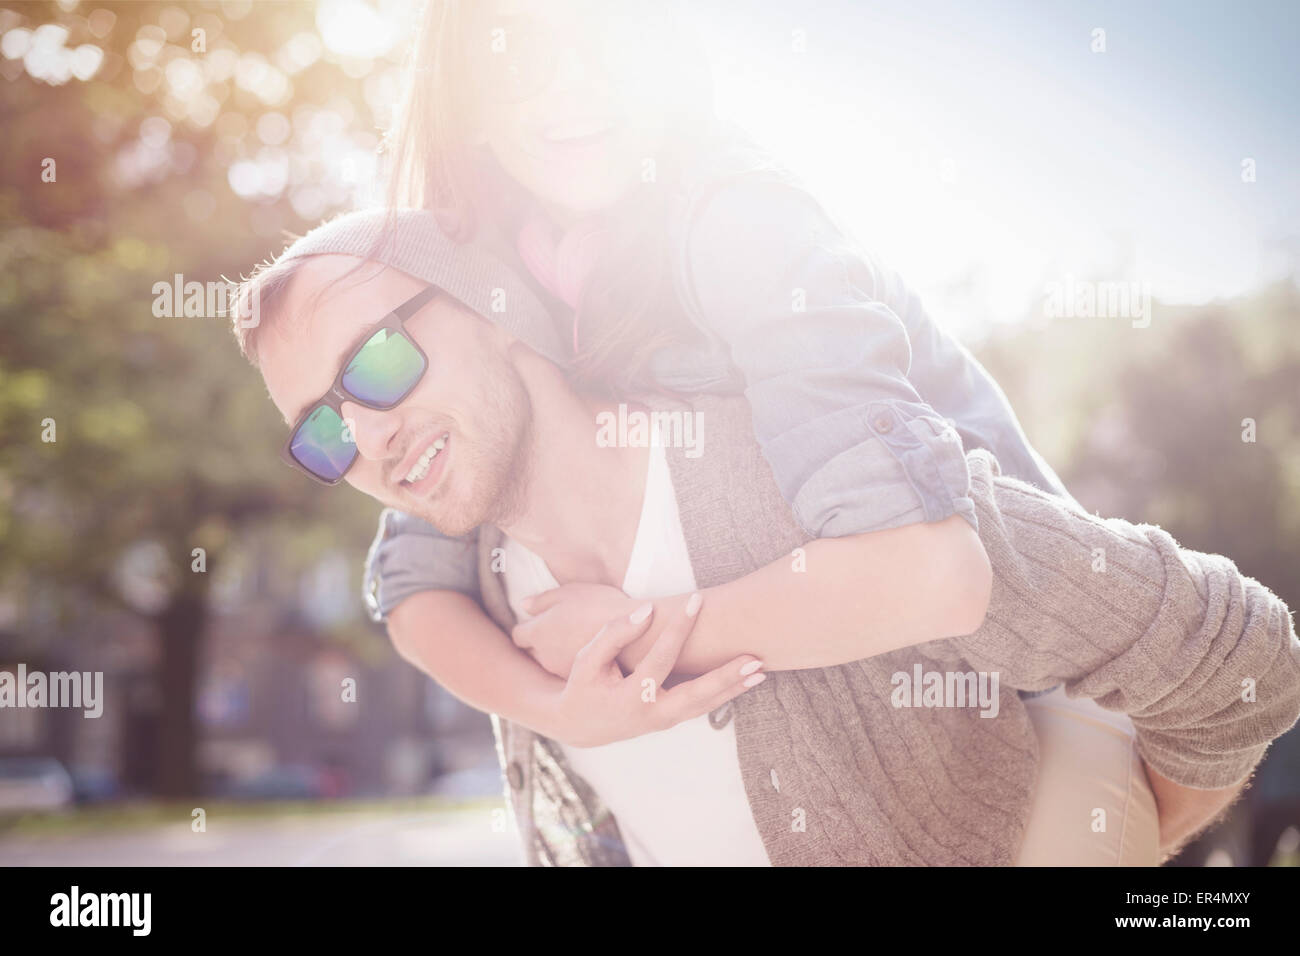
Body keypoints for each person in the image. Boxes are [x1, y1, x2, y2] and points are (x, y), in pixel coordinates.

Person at [231, 209, 1300, 866]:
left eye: (374, 361)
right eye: (321, 429)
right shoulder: (474, 585)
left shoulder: (810, 482)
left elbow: (1241, 664)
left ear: (497, 305)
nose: (363, 435)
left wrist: (1108, 831)